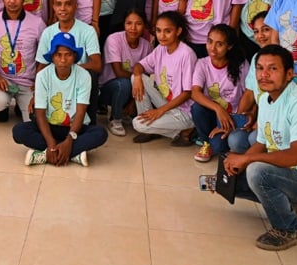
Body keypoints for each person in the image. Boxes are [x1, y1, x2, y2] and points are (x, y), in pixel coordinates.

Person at [218, 45, 297, 251]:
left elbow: (296, 157)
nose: (264, 75)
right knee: (230, 179)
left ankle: (288, 229)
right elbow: (262, 143)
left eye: (272, 69)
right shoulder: (266, 100)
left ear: (289, 74)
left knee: (257, 172)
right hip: (289, 174)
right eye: (260, 68)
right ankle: (290, 205)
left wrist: (247, 160)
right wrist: (235, 165)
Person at [13, 32, 109, 167]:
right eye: (58, 55)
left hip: (74, 128)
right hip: (49, 126)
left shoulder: (83, 76)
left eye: (68, 55)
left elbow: (81, 112)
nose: (63, 60)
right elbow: (40, 113)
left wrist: (69, 140)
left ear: (74, 56)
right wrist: (51, 143)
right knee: (19, 131)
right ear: (52, 57)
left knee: (100, 133)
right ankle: (71, 154)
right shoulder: (43, 76)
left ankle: (46, 154)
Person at [0, 0, 47, 122]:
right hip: (3, 81)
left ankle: (21, 105)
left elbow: (45, 57)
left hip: (28, 83)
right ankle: (3, 108)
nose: (12, 1)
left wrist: (38, 82)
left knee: (34, 120)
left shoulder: (37, 24)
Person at [37, 0, 103, 122]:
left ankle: (89, 121)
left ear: (76, 6)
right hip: (55, 79)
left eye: (68, 4)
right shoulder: (48, 32)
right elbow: (41, 66)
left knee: (91, 76)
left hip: (79, 79)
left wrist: (70, 68)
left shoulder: (88, 30)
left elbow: (97, 65)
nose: (63, 8)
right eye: (58, 4)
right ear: (53, 7)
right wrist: (36, 91)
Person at [131, 11, 197, 144]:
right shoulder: (161, 48)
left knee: (138, 124)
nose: (162, 35)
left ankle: (187, 129)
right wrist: (137, 77)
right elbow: (139, 66)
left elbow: (188, 93)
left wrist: (159, 111)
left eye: (168, 31)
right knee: (136, 77)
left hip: (184, 111)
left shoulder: (186, 54)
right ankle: (167, 130)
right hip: (167, 103)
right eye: (158, 30)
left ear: (178, 31)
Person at [190, 25, 251, 162]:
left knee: (219, 146)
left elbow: (249, 93)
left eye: (219, 44)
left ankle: (219, 140)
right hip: (213, 113)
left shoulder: (241, 64)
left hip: (235, 115)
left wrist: (234, 119)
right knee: (197, 108)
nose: (212, 48)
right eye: (210, 41)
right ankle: (206, 142)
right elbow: (195, 93)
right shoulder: (202, 64)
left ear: (229, 46)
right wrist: (218, 109)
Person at [98, 9, 150, 137]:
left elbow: (146, 76)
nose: (133, 28)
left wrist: (133, 103)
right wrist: (137, 78)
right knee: (124, 83)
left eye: (138, 24)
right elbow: (119, 72)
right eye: (129, 23)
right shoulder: (114, 39)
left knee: (146, 83)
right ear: (124, 24)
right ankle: (115, 119)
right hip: (108, 88)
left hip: (132, 88)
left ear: (144, 25)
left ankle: (124, 111)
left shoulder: (146, 45)